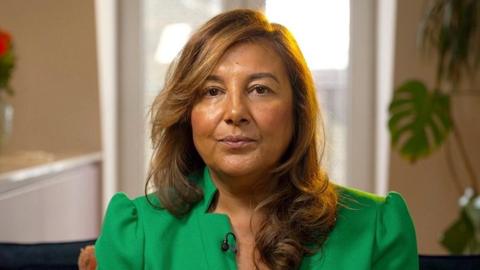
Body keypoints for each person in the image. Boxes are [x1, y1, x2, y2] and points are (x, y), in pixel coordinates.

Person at [95, 9, 418, 270]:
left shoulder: (378, 229)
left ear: (297, 109)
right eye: (212, 91)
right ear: (187, 113)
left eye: (259, 89)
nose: (235, 111)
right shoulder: (134, 234)